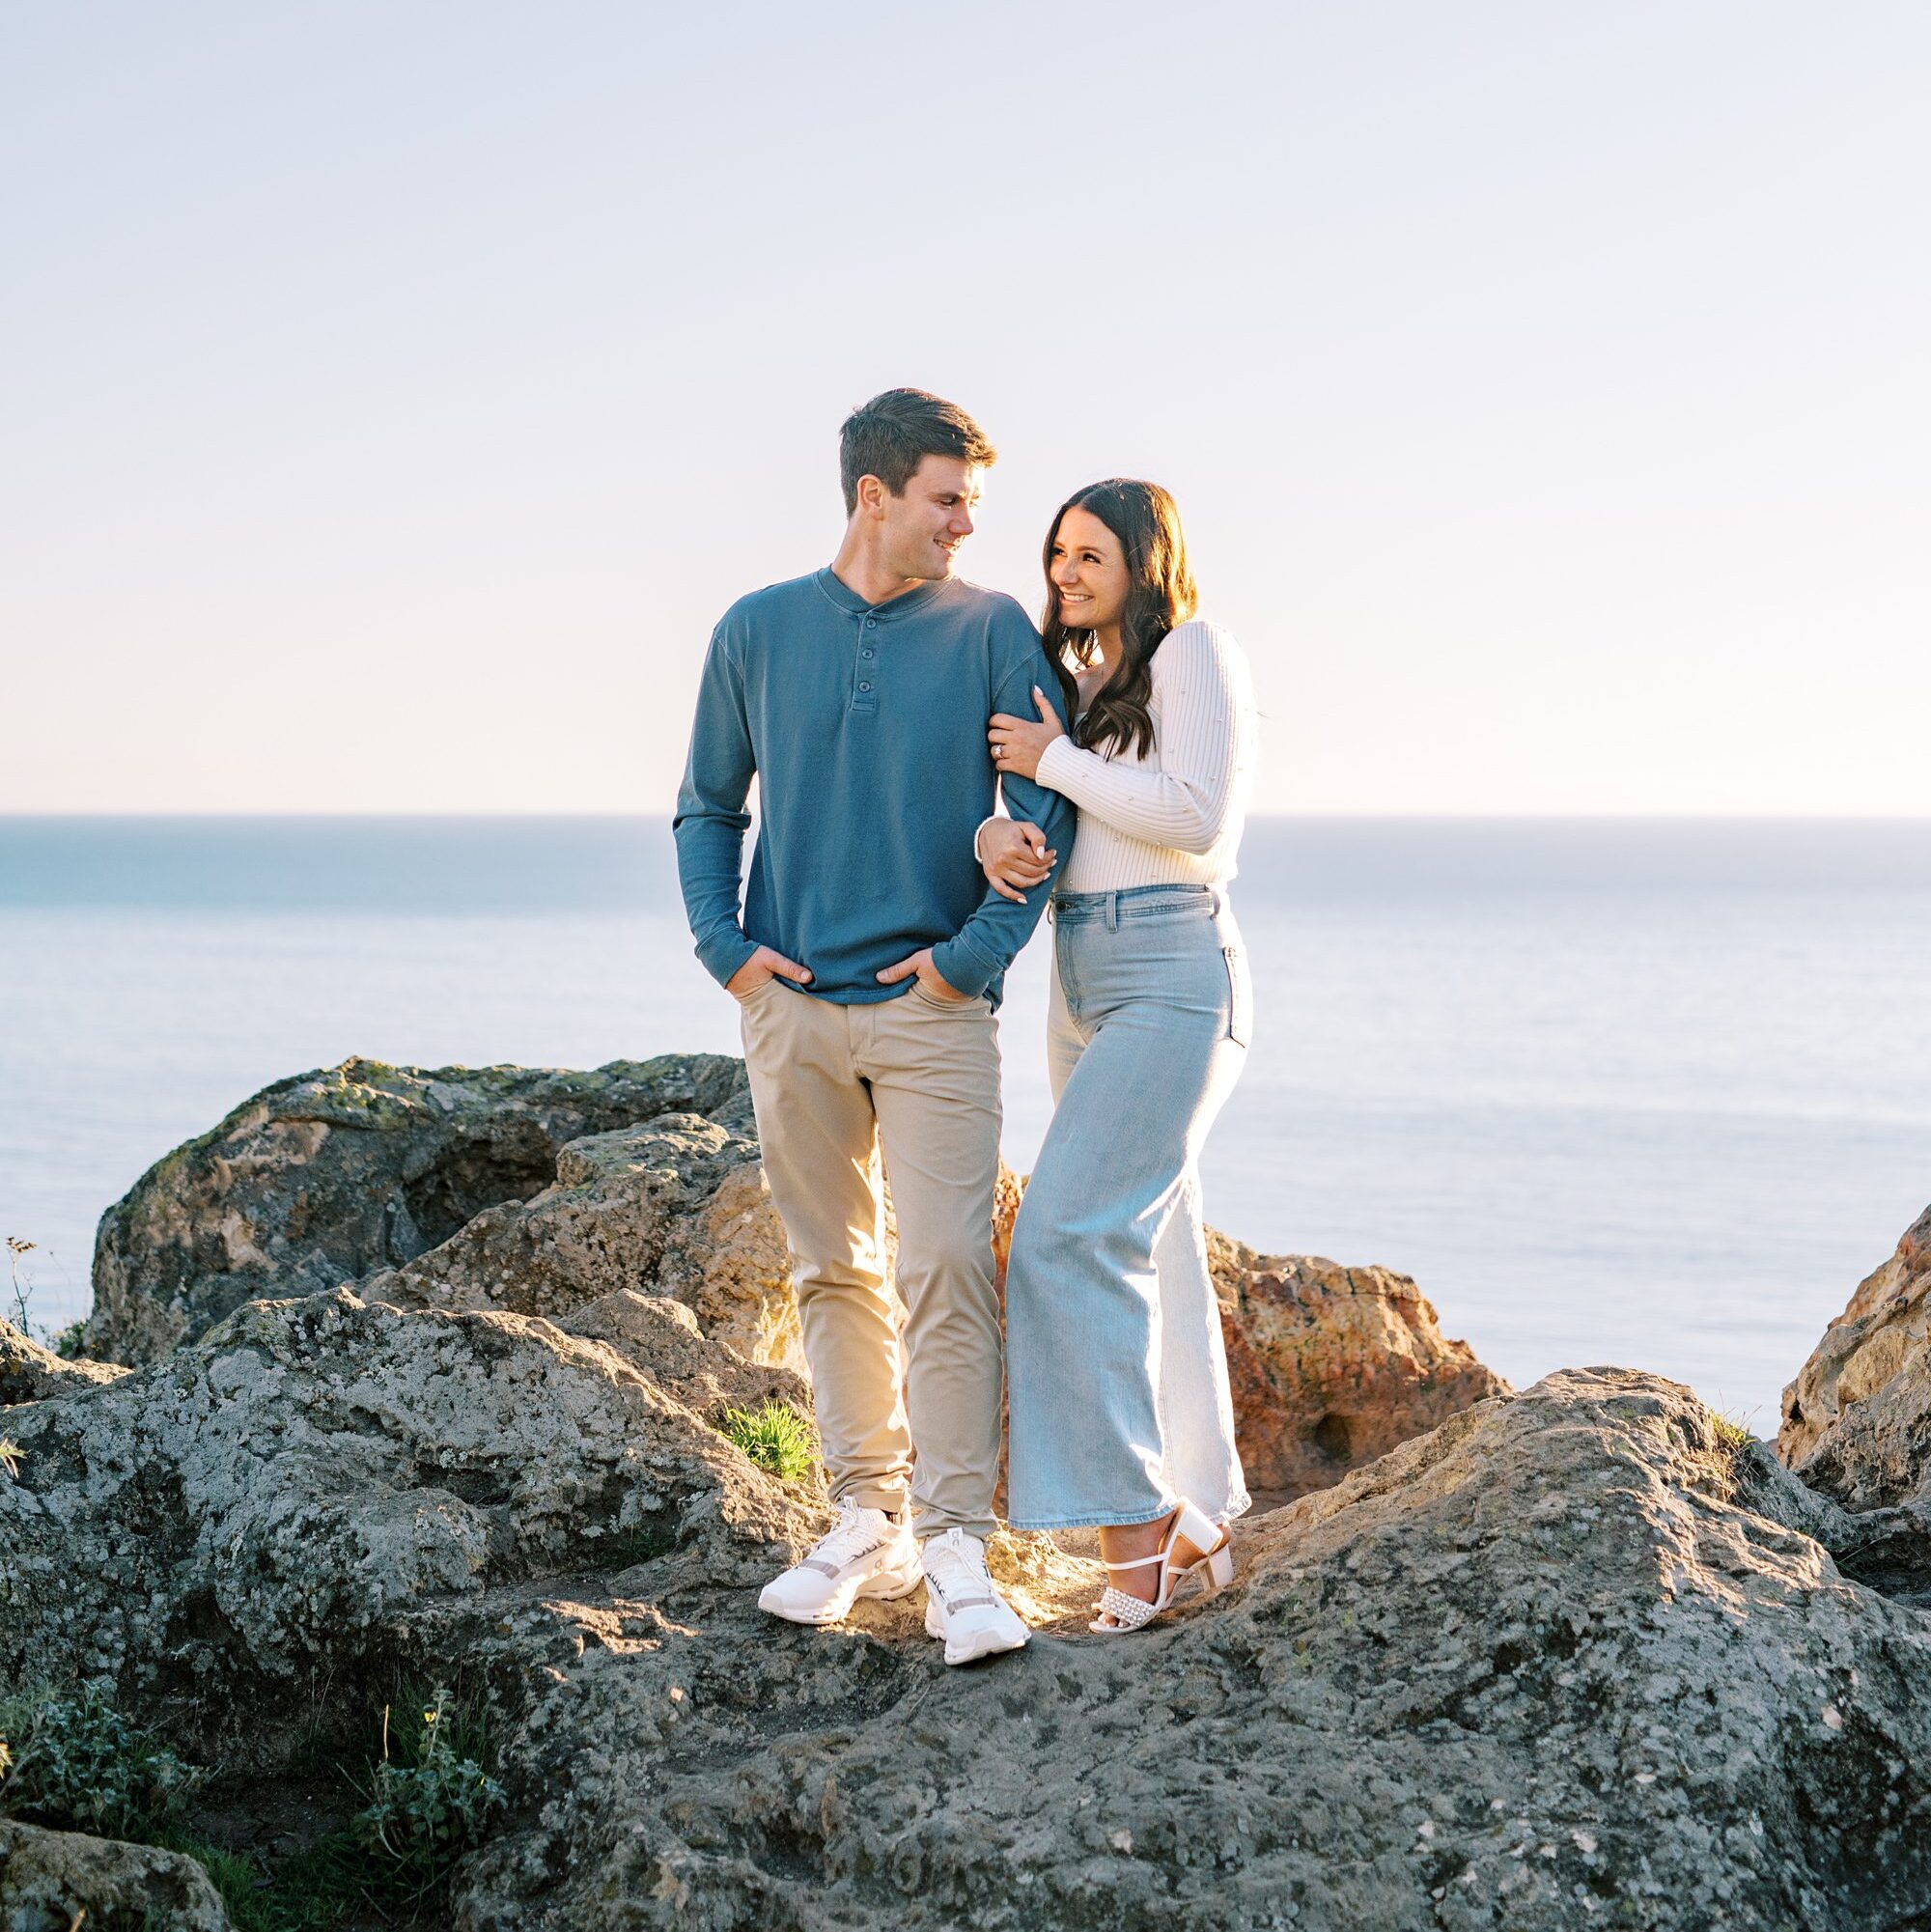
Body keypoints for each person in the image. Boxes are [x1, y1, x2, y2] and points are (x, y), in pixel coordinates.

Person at [673, 388, 1076, 1666]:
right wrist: (729, 954)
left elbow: (1043, 819)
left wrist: (967, 964)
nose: (966, 525)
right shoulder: (756, 630)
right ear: (874, 496)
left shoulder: (996, 631)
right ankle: (868, 1519)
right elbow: (704, 807)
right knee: (830, 1270)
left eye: (970, 503)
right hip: (794, 1013)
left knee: (947, 1264)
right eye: (947, 499)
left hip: (931, 1016)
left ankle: (958, 1545)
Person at [980, 477, 1258, 1634]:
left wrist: (1050, 761)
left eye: (1090, 555)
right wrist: (999, 832)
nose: (1066, 575)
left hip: (1174, 966)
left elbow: (1195, 815)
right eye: (1056, 556)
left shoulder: (1192, 650)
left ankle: (1132, 1528)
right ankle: (1194, 1509)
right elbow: (1054, 826)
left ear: (1145, 561)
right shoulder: (1078, 688)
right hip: (1082, 973)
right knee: (1151, 1242)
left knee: (1061, 1235)